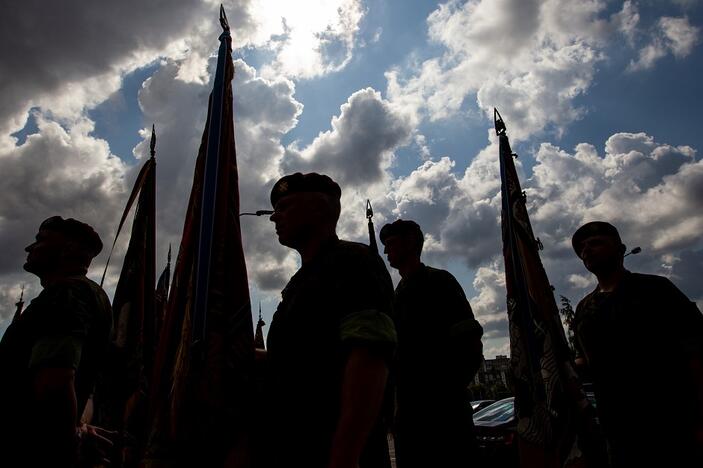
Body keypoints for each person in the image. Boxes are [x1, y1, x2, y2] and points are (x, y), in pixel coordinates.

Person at [260, 173, 397, 468]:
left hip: (330, 450)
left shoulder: (352, 262)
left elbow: (368, 356)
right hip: (294, 447)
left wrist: (345, 456)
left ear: (320, 209)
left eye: (284, 207)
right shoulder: (299, 282)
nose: (274, 217)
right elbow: (295, 360)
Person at [571, 221, 703, 467]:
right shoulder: (585, 308)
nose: (587, 250)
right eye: (582, 248)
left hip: (670, 422)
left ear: (620, 249)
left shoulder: (655, 289)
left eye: (596, 242)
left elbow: (695, 348)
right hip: (618, 430)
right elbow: (586, 360)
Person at [0, 216, 112, 467]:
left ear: (70, 249)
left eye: (41, 240)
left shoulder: (66, 294)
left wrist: (67, 443)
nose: (30, 248)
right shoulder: (90, 293)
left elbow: (56, 379)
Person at [379, 219, 484, 468]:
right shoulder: (397, 295)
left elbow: (469, 343)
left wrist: (446, 392)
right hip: (409, 416)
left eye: (391, 244)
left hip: (444, 413)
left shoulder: (439, 283)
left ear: (411, 244)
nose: (385, 252)